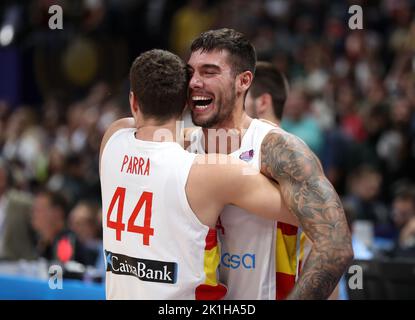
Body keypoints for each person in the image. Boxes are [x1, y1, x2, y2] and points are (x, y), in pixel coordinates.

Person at [100, 49, 298, 300]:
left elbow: (136, 127)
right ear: (185, 104)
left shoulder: (112, 139)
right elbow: (300, 213)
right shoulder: (206, 172)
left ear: (133, 102)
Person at [186, 28, 353, 299]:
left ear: (243, 81)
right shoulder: (181, 146)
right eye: (190, 72)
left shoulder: (277, 148)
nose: (194, 81)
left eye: (209, 72)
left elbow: (336, 245)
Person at [244, 61, 310, 299]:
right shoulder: (237, 150)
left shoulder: (291, 157)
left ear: (262, 102)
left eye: (242, 96)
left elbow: (328, 249)